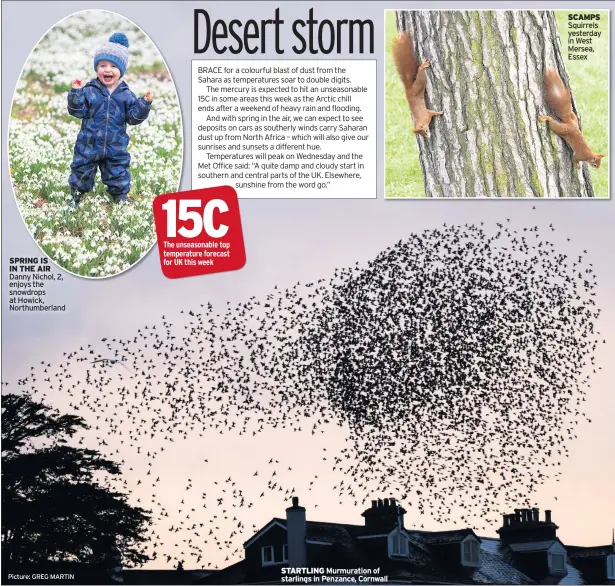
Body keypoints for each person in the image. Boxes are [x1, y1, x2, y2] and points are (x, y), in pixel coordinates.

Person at [67, 32, 153, 209]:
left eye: (113, 66)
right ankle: (75, 197)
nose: (107, 69)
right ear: (96, 69)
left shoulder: (126, 95)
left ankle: (120, 199)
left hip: (115, 147)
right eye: (102, 65)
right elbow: (77, 111)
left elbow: (133, 118)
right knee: (81, 170)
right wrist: (75, 93)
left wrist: (144, 104)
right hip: (88, 144)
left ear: (121, 71)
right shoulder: (89, 91)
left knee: (118, 174)